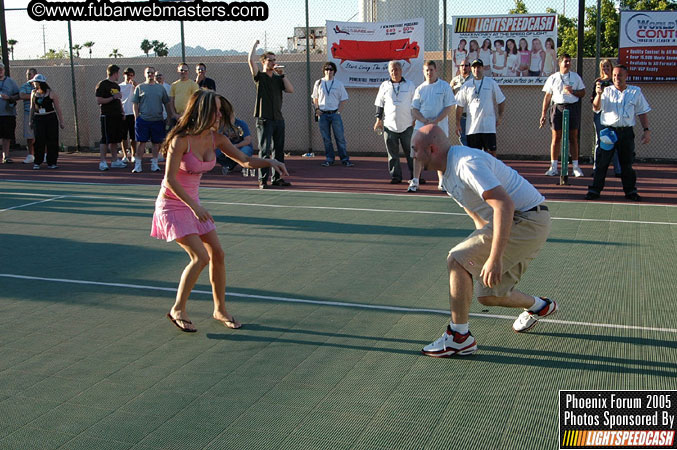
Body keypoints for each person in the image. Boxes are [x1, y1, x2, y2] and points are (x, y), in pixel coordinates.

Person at [151, 90, 289, 332]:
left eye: (221, 110)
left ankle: (219, 309)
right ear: (201, 111)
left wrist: (271, 161)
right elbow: (171, 179)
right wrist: (195, 207)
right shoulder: (180, 139)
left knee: (218, 254)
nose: (219, 114)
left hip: (195, 205)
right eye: (215, 110)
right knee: (200, 257)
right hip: (173, 205)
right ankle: (178, 309)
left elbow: (245, 162)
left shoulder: (217, 139)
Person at [412, 124, 555, 357]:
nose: (413, 155)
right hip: (520, 221)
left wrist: (495, 258)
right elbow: (476, 213)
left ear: (432, 148)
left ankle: (459, 337)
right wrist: (482, 251)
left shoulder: (466, 163)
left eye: (415, 149)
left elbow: (504, 204)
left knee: (456, 260)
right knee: (489, 295)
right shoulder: (445, 174)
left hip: (526, 218)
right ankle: (541, 306)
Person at [586, 65, 650, 202]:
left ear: (626, 76)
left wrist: (646, 130)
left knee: (626, 164)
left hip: (626, 133)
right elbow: (596, 108)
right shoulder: (606, 91)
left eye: (619, 75)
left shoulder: (635, 92)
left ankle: (630, 191)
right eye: (614, 75)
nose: (616, 78)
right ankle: (595, 190)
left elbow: (642, 112)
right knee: (602, 162)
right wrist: (598, 94)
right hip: (608, 132)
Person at [248, 40, 294, 189]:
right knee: (265, 150)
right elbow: (250, 60)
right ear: (263, 62)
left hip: (278, 119)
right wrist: (255, 45)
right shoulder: (259, 77)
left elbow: (290, 90)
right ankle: (262, 180)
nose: (273, 63)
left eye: (274, 60)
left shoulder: (278, 78)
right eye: (270, 60)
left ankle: (277, 178)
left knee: (278, 150)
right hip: (264, 119)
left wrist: (283, 75)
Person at [409, 60, 456, 193]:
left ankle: (442, 183)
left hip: (438, 129)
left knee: (440, 154)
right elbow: (414, 110)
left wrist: (435, 121)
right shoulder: (420, 89)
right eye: (426, 70)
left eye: (431, 70)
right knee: (417, 154)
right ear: (423, 72)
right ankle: (415, 181)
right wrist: (424, 120)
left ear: (436, 71)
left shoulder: (444, 86)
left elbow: (448, 107)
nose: (429, 73)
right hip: (421, 128)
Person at [539, 54, 586, 177]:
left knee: (573, 137)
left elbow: (583, 92)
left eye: (569, 61)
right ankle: (553, 167)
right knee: (556, 137)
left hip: (572, 107)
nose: (568, 64)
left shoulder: (575, 77)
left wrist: (573, 92)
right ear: (560, 63)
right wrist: (543, 113)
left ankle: (575, 167)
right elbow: (547, 96)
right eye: (565, 61)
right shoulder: (553, 78)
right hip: (557, 108)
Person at [374, 60, 416, 184]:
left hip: (407, 125)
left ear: (401, 71)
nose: (394, 72)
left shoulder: (410, 85)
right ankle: (396, 176)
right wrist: (378, 120)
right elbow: (379, 104)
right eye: (392, 70)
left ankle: (415, 176)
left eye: (396, 69)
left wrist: (415, 119)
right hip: (389, 126)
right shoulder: (384, 86)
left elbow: (415, 104)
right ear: (389, 71)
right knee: (392, 154)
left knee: (411, 153)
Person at [455, 59, 506, 157]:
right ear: (471, 69)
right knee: (474, 156)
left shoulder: (491, 83)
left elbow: (501, 100)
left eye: (479, 67)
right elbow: (460, 105)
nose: (476, 69)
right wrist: (457, 123)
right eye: (474, 67)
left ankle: (491, 171)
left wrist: (500, 117)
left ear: (482, 68)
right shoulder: (466, 86)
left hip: (488, 127)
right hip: (472, 128)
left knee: (491, 154)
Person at [312, 61, 353, 167]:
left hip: (335, 114)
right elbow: (315, 97)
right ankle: (329, 159)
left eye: (331, 69)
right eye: (326, 69)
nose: (328, 71)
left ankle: (344, 159)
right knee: (326, 138)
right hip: (323, 115)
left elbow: (344, 99)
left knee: (340, 137)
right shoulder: (318, 83)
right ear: (323, 71)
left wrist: (338, 111)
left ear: (334, 71)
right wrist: (316, 109)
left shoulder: (338, 84)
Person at [131, 66, 171, 173]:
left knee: (156, 143)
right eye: (148, 73)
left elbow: (166, 103)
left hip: (157, 120)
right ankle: (138, 164)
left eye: (152, 73)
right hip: (143, 120)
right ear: (145, 74)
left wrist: (169, 117)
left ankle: (154, 164)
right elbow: (135, 103)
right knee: (141, 143)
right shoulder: (140, 87)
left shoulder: (160, 88)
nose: (150, 75)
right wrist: (137, 117)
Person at [591, 59, 620, 177]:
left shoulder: (616, 82)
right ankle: (597, 168)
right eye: (603, 67)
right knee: (600, 140)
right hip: (600, 114)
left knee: (615, 141)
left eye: (608, 66)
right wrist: (599, 92)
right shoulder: (598, 82)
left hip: (613, 114)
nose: (606, 69)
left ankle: (618, 169)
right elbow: (593, 102)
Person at [28, 74, 64, 169]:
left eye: (35, 82)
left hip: (50, 118)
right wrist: (30, 120)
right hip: (38, 118)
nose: (34, 84)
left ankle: (52, 162)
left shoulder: (51, 93)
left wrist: (61, 121)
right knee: (39, 140)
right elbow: (32, 107)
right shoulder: (33, 93)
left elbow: (57, 108)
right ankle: (37, 161)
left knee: (52, 140)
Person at [95, 64, 127, 171]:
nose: (119, 75)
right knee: (105, 139)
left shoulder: (116, 86)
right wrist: (113, 97)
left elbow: (118, 100)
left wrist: (122, 112)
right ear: (114, 73)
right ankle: (103, 162)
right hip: (107, 116)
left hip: (117, 115)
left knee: (115, 139)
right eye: (118, 73)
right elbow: (99, 101)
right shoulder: (102, 85)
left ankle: (114, 160)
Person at [215, 98, 255, 176]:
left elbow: (247, 140)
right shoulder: (222, 125)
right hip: (228, 147)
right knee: (216, 151)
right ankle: (229, 165)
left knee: (246, 150)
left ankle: (245, 165)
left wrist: (235, 146)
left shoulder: (241, 124)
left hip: (240, 147)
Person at [0, 62, 20, 164]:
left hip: (7, 113)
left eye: (1, 69)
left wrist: (9, 98)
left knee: (6, 136)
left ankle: (5, 156)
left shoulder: (10, 82)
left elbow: (18, 95)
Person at [169, 63, 200, 129]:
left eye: (185, 70)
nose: (183, 72)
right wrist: (174, 114)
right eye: (181, 70)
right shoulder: (174, 85)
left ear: (188, 72)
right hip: (177, 117)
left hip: (189, 116)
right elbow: (171, 101)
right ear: (178, 71)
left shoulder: (193, 85)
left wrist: (186, 114)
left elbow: (196, 101)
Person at [450, 59, 473, 146]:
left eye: (466, 65)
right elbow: (451, 97)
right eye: (462, 66)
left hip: (473, 115)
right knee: (463, 138)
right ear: (459, 67)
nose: (464, 68)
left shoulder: (474, 80)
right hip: (461, 115)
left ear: (470, 67)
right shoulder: (454, 81)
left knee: (473, 138)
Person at [119, 67, 137, 163]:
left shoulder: (135, 86)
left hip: (132, 114)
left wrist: (135, 85)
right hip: (123, 114)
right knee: (123, 136)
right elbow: (118, 100)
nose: (129, 77)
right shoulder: (119, 86)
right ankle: (125, 155)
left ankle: (133, 155)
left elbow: (140, 95)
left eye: (131, 75)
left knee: (133, 137)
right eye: (127, 74)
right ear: (124, 75)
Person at [19, 68, 37, 164]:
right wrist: (34, 95)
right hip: (28, 113)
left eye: (29, 74)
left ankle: (45, 155)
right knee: (29, 136)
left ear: (35, 75)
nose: (28, 76)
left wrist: (30, 95)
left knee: (42, 135)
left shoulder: (40, 85)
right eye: (27, 74)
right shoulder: (24, 86)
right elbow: (21, 95)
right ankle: (31, 155)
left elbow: (45, 94)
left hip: (39, 114)